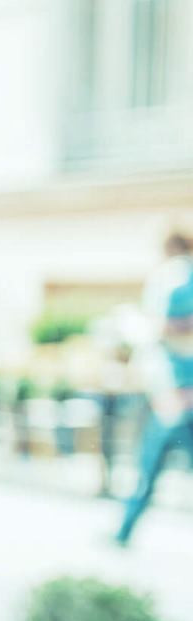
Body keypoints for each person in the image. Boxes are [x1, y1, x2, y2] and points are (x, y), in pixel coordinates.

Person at [115, 230, 193, 545]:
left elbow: (168, 329)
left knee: (149, 465)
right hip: (177, 392)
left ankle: (124, 531)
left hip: (177, 394)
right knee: (150, 465)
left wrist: (142, 328)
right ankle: (124, 531)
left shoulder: (175, 278)